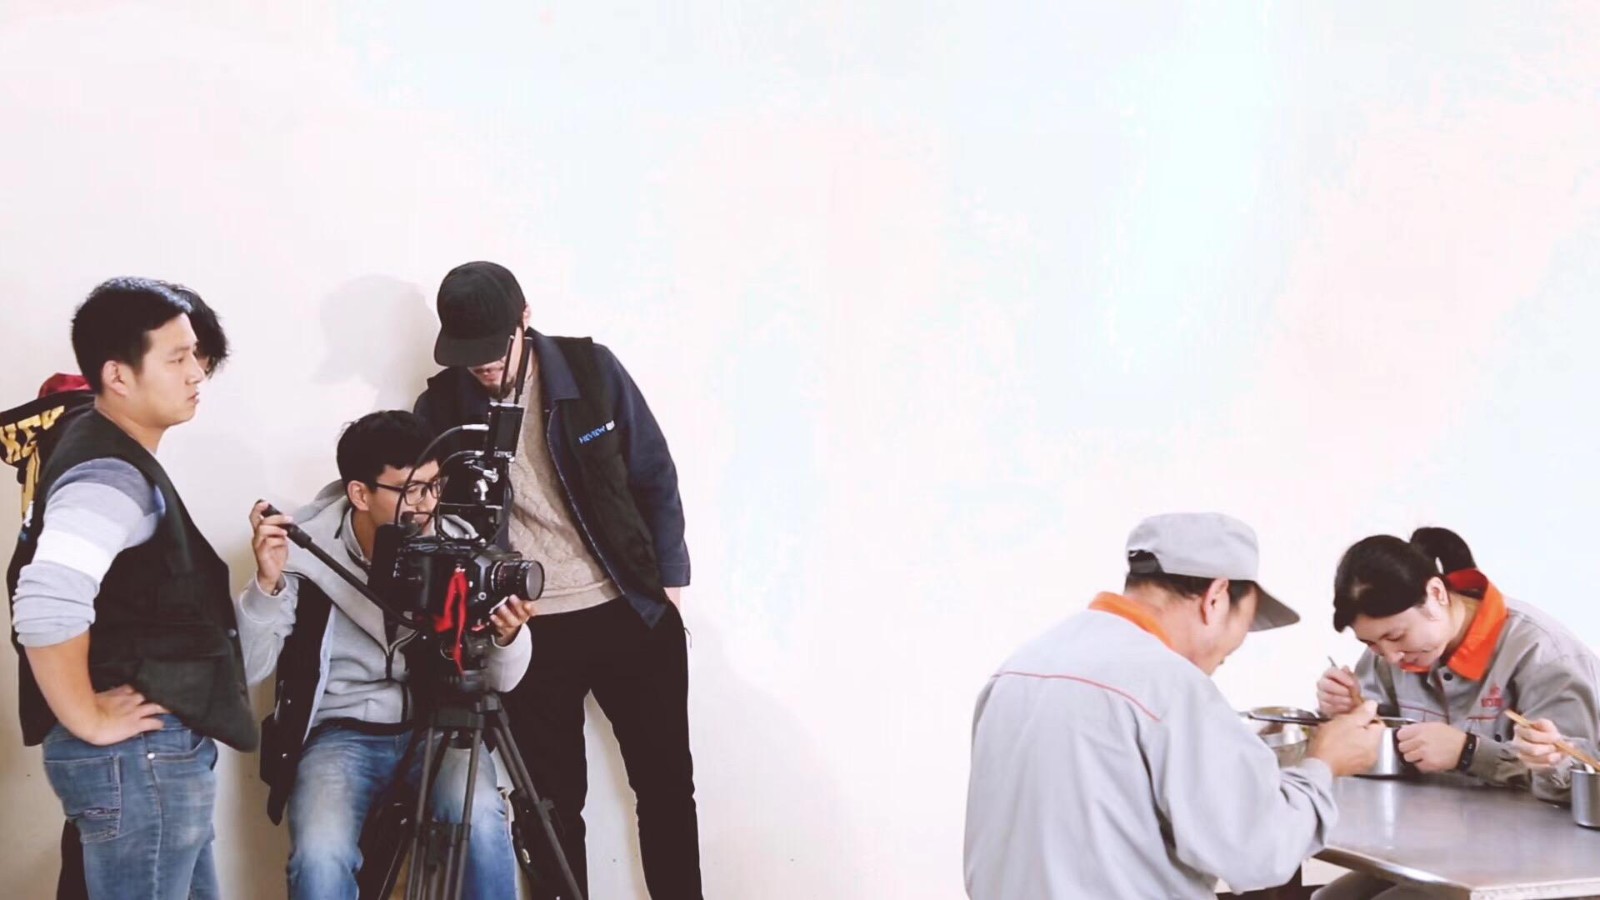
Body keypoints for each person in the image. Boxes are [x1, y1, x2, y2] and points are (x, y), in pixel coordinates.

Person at [414, 260, 699, 898]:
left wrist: (669, 584)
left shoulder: (590, 371)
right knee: (548, 806)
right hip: (530, 629)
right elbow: (440, 523)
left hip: (627, 607)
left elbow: (654, 472)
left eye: (494, 349)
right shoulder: (442, 406)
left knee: (665, 788)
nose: (484, 366)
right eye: (469, 354)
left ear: (525, 318)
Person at [964, 512, 1383, 899]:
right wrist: (1323, 765)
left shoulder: (1020, 668)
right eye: (1246, 622)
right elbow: (1258, 853)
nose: (1232, 649)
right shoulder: (1169, 686)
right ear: (1216, 597)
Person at [6, 278, 257, 900]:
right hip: (140, 763)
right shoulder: (108, 475)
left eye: (196, 355)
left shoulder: (99, 449)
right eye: (177, 358)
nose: (196, 373)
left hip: (148, 760)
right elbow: (44, 602)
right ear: (118, 375)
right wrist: (86, 716)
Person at [239, 410, 536, 899]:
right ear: (360, 493)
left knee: (483, 820)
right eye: (411, 490)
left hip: (437, 726)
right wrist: (267, 585)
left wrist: (509, 635)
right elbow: (249, 668)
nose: (428, 504)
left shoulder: (456, 542)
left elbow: (503, 681)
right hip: (340, 734)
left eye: (434, 486)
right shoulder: (305, 550)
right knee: (320, 855)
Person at [1311, 526, 1600, 900]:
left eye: (1396, 637)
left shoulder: (1542, 653)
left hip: (1537, 857)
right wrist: (1347, 713)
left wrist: (1469, 752)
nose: (1390, 656)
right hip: (1440, 840)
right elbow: (1375, 741)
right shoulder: (1393, 653)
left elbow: (1581, 779)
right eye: (1372, 644)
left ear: (1436, 594)